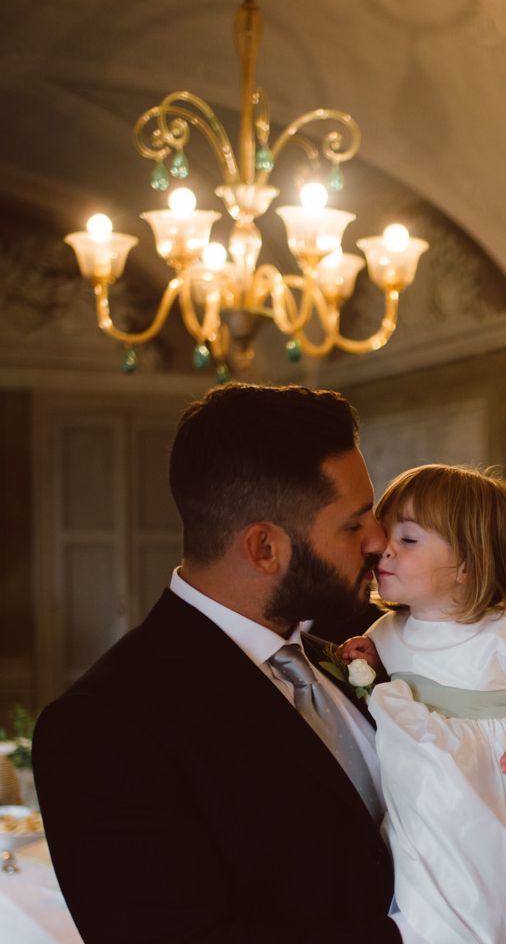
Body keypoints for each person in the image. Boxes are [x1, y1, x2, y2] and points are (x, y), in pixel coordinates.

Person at [32, 383, 416, 944]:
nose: (381, 540)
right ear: (264, 548)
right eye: (354, 524)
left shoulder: (351, 646)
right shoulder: (103, 728)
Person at [340, 463, 506, 944]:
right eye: (387, 533)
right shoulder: (386, 633)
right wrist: (368, 662)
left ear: (467, 566)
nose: (383, 548)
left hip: (505, 813)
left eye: (409, 540)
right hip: (431, 820)